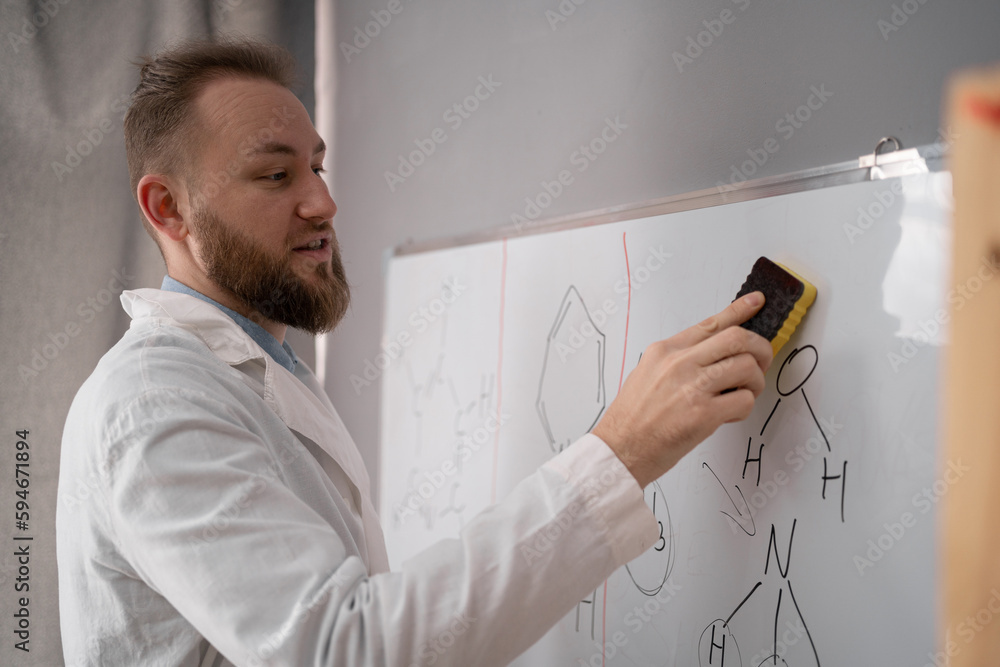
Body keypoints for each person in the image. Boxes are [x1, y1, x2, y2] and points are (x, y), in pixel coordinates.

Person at [56, 37, 772, 667]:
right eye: (276, 176)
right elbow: (347, 649)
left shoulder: (258, 372)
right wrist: (620, 453)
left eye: (318, 167)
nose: (322, 204)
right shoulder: (152, 405)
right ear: (167, 208)